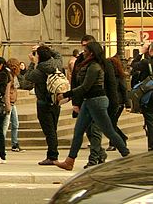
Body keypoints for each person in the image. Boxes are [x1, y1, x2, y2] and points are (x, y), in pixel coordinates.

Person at [55, 41, 130, 170]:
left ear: (92, 53)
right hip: (89, 101)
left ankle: (127, 155)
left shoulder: (95, 67)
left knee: (109, 131)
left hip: (96, 101)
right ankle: (69, 161)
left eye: (85, 51)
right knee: (78, 131)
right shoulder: (89, 65)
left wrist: (66, 94)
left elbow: (85, 87)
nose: (83, 53)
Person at [19, 44, 63, 165]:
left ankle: (53, 156)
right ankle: (52, 153)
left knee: (49, 131)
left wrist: (33, 63)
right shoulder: (57, 64)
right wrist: (45, 49)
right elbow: (58, 54)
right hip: (56, 101)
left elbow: (26, 78)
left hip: (44, 102)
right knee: (53, 129)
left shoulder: (40, 70)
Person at [131, 42, 153, 151]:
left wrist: (140, 53)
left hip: (149, 96)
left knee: (150, 120)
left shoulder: (146, 62)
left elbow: (133, 64)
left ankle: (152, 146)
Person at [106, 53, 128, 151]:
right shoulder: (112, 76)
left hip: (118, 103)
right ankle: (121, 138)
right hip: (112, 102)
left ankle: (114, 143)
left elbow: (124, 90)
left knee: (112, 123)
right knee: (111, 123)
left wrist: (127, 104)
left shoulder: (119, 77)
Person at [4, 58, 23, 152]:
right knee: (6, 125)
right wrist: (7, 104)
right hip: (9, 102)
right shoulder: (9, 76)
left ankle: (14, 143)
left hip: (13, 102)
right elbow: (7, 92)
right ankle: (1, 144)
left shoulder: (14, 76)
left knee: (15, 123)